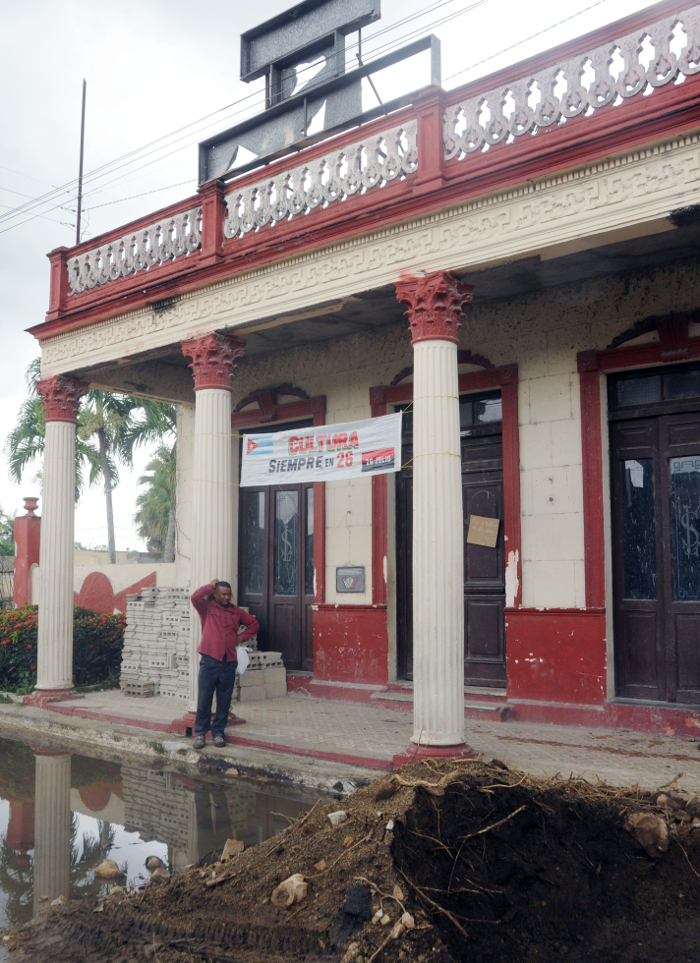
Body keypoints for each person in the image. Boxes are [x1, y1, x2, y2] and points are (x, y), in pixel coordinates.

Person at [190, 578, 259, 749]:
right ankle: (200, 734)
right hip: (209, 660)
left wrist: (241, 637)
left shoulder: (236, 612)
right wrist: (209, 586)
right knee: (204, 698)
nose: (228, 597)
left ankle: (218, 733)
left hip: (228, 661)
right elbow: (195, 597)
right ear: (215, 594)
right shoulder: (206, 608)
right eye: (223, 594)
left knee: (224, 700)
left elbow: (253, 624)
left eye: (229, 594)